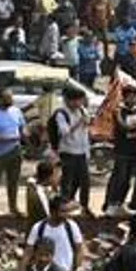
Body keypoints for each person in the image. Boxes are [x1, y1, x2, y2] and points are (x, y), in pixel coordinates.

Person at [105, 84, 136, 214]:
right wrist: (135, 128)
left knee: (132, 179)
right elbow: (123, 127)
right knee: (119, 178)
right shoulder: (119, 111)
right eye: (130, 96)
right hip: (122, 151)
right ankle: (111, 203)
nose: (133, 99)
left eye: (135, 96)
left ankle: (121, 203)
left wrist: (135, 128)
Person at [0, 89, 26, 216]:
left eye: (11, 97)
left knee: (14, 180)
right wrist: (9, 139)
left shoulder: (16, 111)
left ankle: (13, 207)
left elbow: (21, 127)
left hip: (16, 150)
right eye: (7, 98)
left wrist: (26, 139)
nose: (11, 100)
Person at [52, 87, 92, 215]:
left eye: (80, 100)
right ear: (68, 100)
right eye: (77, 101)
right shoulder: (61, 114)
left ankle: (84, 207)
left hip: (82, 151)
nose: (79, 103)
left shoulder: (82, 110)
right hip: (68, 151)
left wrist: (87, 123)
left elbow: (85, 131)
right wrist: (79, 123)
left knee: (84, 181)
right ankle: (64, 205)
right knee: (67, 181)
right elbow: (65, 132)